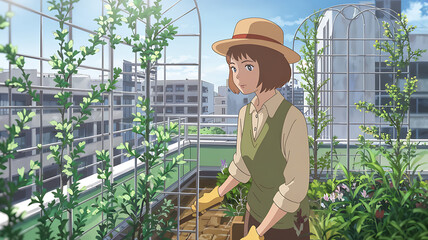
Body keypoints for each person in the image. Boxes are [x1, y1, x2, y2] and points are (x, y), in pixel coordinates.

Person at [191, 17, 310, 240]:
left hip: (287, 224)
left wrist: (260, 233)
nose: (238, 76)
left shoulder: (292, 118)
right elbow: (243, 164)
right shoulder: (245, 114)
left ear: (271, 66)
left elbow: (295, 186)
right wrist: (217, 194)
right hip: (254, 213)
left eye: (248, 66)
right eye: (233, 67)